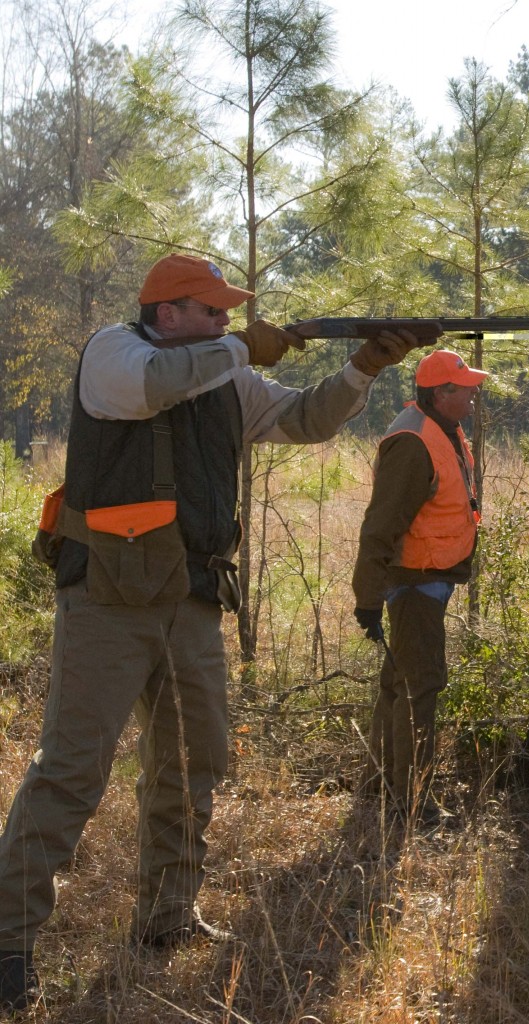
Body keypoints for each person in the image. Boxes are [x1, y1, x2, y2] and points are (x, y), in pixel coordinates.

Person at [0, 252, 421, 1012]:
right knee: (71, 771)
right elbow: (155, 387)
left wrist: (362, 366)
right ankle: (6, 941)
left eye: (229, 315)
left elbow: (305, 418)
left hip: (190, 595)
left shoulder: (226, 375)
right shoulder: (113, 353)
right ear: (167, 314)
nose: (227, 322)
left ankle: (166, 918)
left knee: (193, 765)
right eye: (212, 311)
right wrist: (241, 348)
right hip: (108, 597)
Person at [352, 348, 488, 827]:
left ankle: (377, 786)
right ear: (439, 393)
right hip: (414, 585)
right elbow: (381, 525)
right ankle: (412, 803)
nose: (473, 393)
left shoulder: (440, 428)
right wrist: (367, 599)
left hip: (427, 579)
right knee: (420, 687)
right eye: (464, 387)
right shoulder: (413, 443)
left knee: (398, 685)